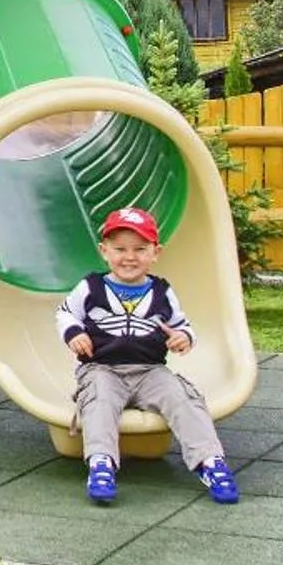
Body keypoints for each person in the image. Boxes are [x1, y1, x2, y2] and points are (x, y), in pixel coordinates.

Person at [57, 206, 237, 505]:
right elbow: (65, 313)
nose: (129, 257)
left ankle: (210, 461)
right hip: (102, 368)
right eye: (120, 249)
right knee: (99, 399)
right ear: (104, 251)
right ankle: (101, 463)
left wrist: (183, 337)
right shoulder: (90, 286)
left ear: (155, 253)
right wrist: (74, 333)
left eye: (140, 249)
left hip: (149, 370)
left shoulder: (162, 291)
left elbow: (181, 325)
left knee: (183, 397)